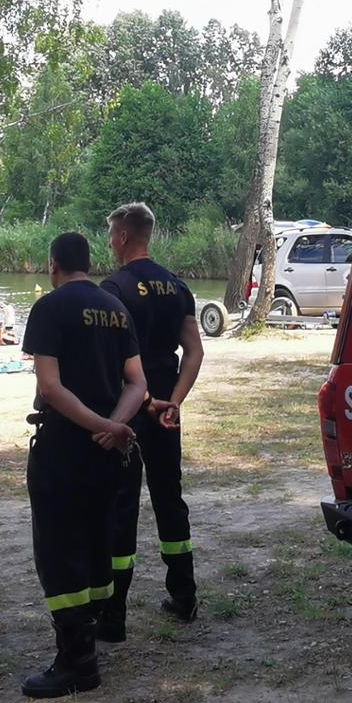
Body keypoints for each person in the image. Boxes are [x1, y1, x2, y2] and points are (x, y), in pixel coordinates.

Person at [19, 231, 147, 698]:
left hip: (64, 449)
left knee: (57, 548)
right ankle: (90, 636)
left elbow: (50, 388)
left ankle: (76, 660)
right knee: (97, 541)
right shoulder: (116, 308)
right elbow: (137, 383)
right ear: (89, 263)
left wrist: (97, 424)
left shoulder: (49, 309)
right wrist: (113, 426)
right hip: (107, 453)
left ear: (54, 265)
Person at [96, 202, 206, 640]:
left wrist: (139, 404)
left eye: (111, 235)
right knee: (169, 498)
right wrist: (173, 402)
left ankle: (113, 615)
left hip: (132, 407)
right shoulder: (177, 286)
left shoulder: (114, 288)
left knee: (121, 506)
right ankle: (184, 594)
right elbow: (194, 351)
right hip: (166, 411)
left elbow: (112, 360)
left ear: (123, 237)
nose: (109, 242)